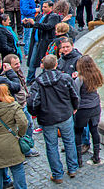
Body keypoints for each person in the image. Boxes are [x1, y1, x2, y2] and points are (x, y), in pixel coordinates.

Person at [27, 54, 79, 183]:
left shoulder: (37, 83)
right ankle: (72, 169)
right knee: (69, 142)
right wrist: (74, 107)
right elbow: (75, 94)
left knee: (51, 146)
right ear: (56, 64)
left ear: (42, 65)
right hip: (65, 115)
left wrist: (37, 113)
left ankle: (57, 174)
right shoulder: (65, 78)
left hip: (47, 118)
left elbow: (32, 103)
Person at [73, 56, 104, 167]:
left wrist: (74, 108)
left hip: (83, 109)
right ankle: (96, 156)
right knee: (94, 130)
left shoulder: (80, 79)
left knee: (78, 132)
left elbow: (76, 95)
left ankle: (79, 160)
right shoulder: (96, 75)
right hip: (95, 107)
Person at [0, 84, 29, 189]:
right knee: (17, 169)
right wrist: (20, 134)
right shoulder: (13, 106)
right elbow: (24, 123)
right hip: (12, 143)